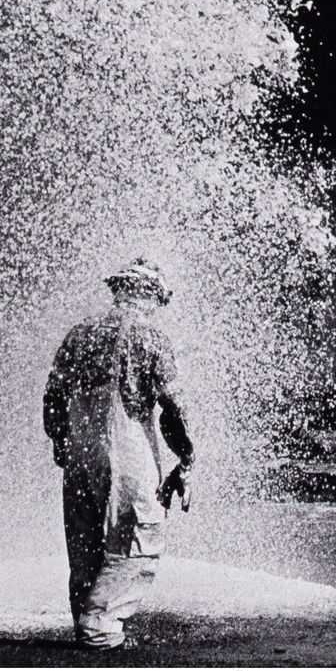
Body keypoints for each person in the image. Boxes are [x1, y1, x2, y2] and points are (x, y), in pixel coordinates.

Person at [43, 258, 195, 650]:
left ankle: (85, 619)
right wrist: (186, 458)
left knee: (86, 541)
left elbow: (53, 397)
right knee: (136, 539)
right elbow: (172, 407)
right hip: (127, 450)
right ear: (149, 294)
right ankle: (99, 628)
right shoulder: (148, 335)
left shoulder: (80, 333)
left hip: (80, 449)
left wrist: (62, 442)